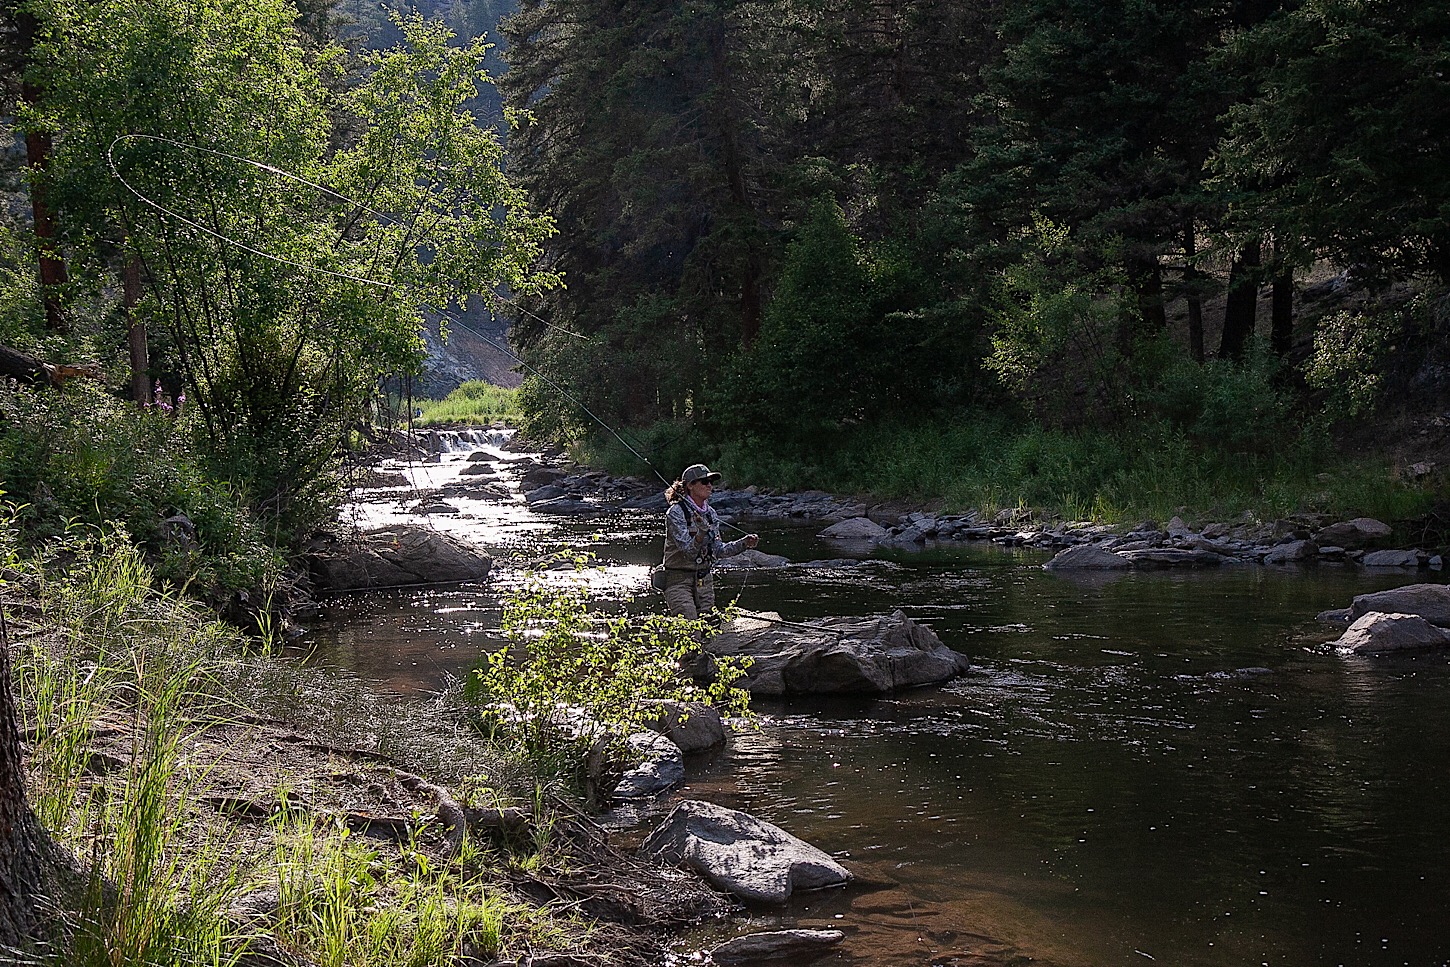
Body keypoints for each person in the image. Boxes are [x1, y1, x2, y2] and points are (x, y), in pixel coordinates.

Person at [661, 463, 759, 620]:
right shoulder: (675, 513)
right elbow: (688, 551)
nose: (709, 486)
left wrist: (744, 543)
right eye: (704, 482)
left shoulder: (710, 513)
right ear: (690, 486)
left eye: (711, 482)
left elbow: (719, 550)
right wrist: (701, 533)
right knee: (690, 628)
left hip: (704, 582)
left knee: (709, 628)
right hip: (678, 582)